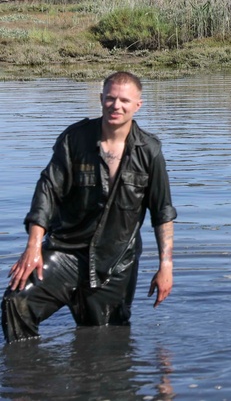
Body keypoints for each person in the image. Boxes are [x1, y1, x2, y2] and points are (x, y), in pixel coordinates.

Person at [3, 71, 176, 343]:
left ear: (137, 105)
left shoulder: (150, 151)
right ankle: (27, 377)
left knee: (105, 343)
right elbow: (47, 190)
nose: (115, 106)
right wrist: (34, 246)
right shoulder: (75, 140)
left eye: (124, 100)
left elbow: (162, 212)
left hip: (116, 261)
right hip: (66, 252)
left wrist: (165, 265)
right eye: (110, 98)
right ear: (101, 99)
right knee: (17, 302)